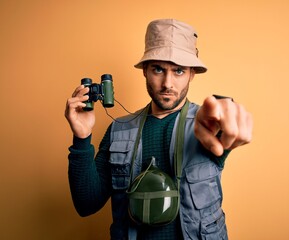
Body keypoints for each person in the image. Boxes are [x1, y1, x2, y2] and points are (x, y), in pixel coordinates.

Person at [65, 19, 253, 240]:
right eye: (158, 69)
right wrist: (82, 137)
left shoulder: (208, 124)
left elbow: (227, 127)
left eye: (179, 71)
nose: (168, 83)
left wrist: (226, 121)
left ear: (192, 74)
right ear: (145, 70)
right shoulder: (118, 129)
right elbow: (86, 204)